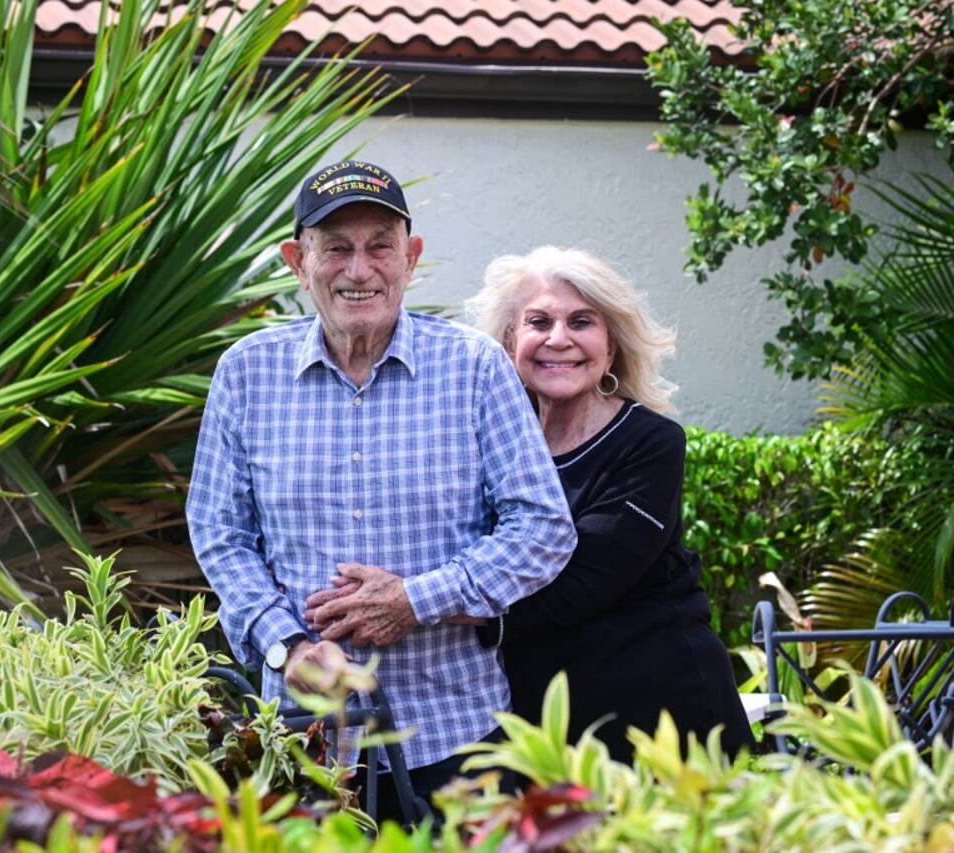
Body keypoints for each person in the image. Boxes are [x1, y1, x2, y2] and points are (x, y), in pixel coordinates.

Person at [186, 162, 577, 821]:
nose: (358, 269)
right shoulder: (246, 373)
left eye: (379, 245)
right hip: (302, 739)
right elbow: (220, 533)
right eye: (335, 247)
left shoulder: (475, 367)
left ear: (410, 256)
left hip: (456, 734)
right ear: (297, 261)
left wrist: (412, 599)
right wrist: (287, 646)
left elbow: (542, 527)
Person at [458, 245, 754, 762]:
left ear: (611, 346)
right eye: (538, 321)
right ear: (509, 343)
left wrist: (424, 606)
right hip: (542, 726)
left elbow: (579, 582)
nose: (559, 339)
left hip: (662, 719)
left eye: (581, 322)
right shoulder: (488, 447)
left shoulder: (651, 443)